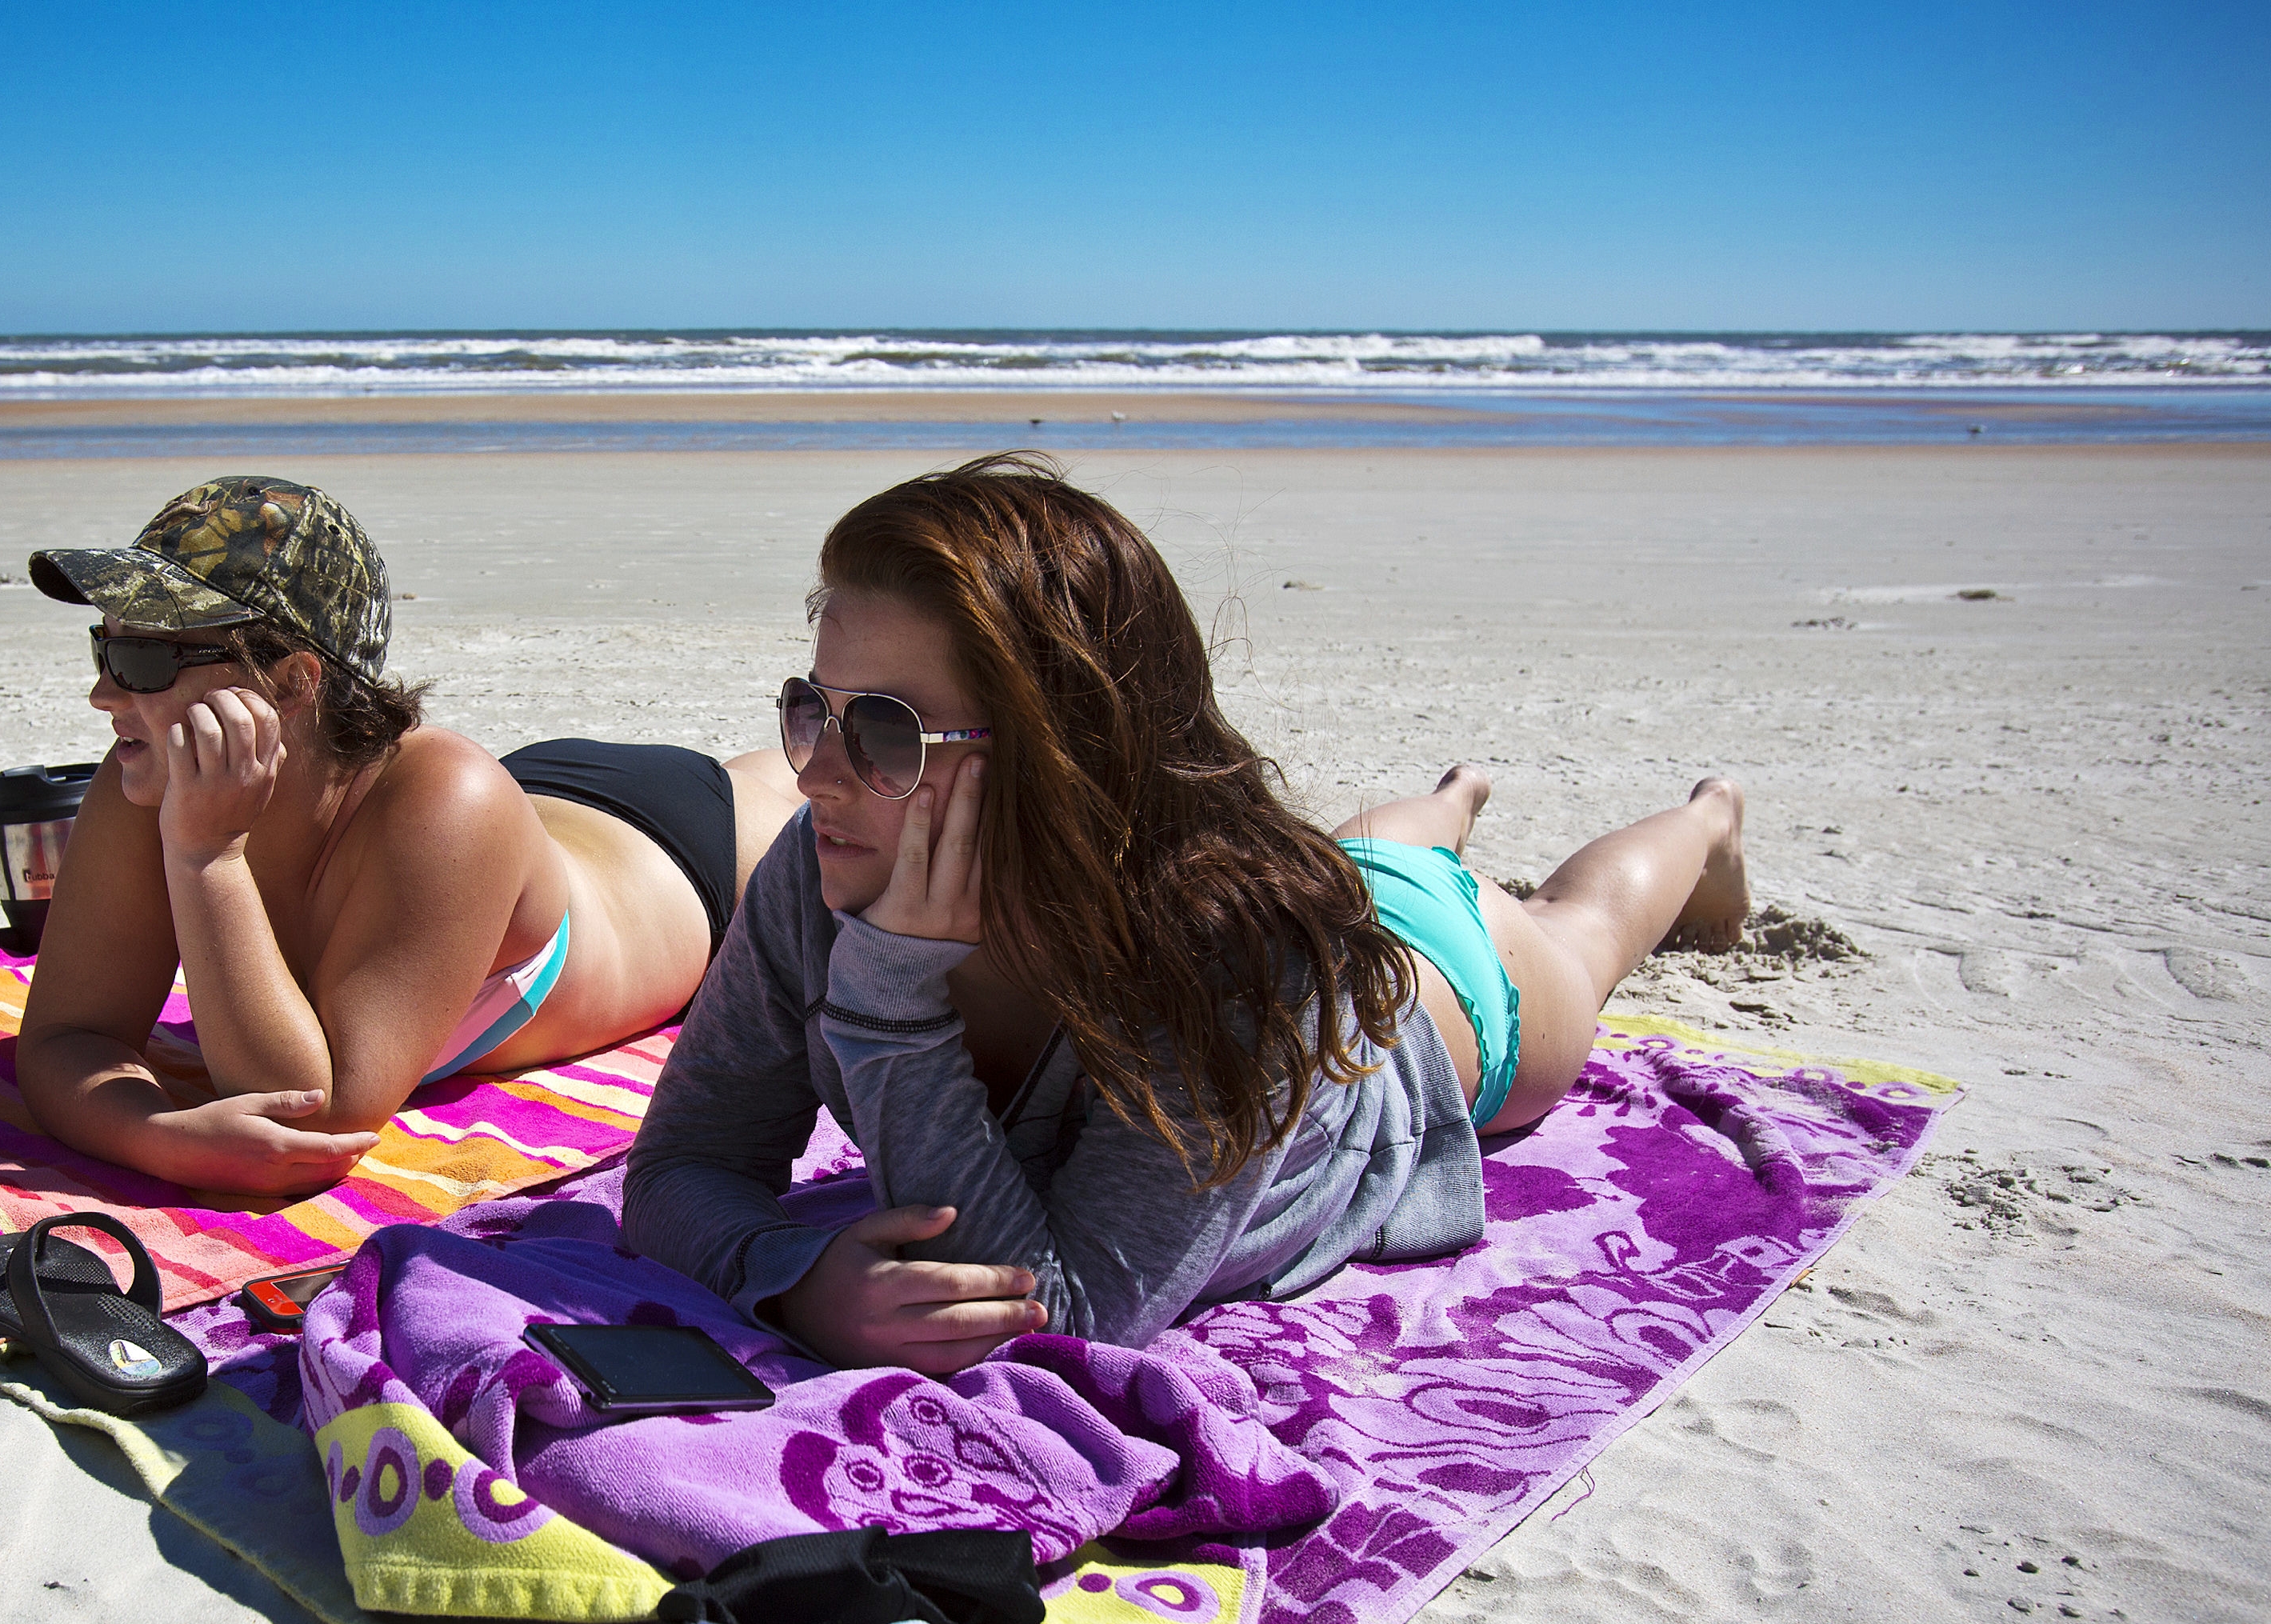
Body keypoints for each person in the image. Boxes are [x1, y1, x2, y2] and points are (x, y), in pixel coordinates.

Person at [623, 454, 1751, 1372]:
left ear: (1059, 757)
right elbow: (677, 1170)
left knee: (1581, 922)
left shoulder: (1239, 957)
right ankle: (1453, 798)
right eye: (810, 712)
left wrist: (890, 1002)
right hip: (1293, 882)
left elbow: (1059, 1317)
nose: (817, 773)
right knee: (1378, 847)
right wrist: (790, 1273)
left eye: (883, 732)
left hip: (1420, 1007)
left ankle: (1706, 818)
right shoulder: (826, 866)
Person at [17, 476, 803, 1198]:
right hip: (541, 799)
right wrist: (151, 1134)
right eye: (103, 645)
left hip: (683, 853)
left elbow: (307, 1124)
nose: (101, 692)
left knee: (800, 784)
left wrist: (206, 857)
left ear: (292, 680)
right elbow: (65, 1035)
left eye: (140, 657)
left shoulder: (442, 802)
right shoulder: (149, 778)